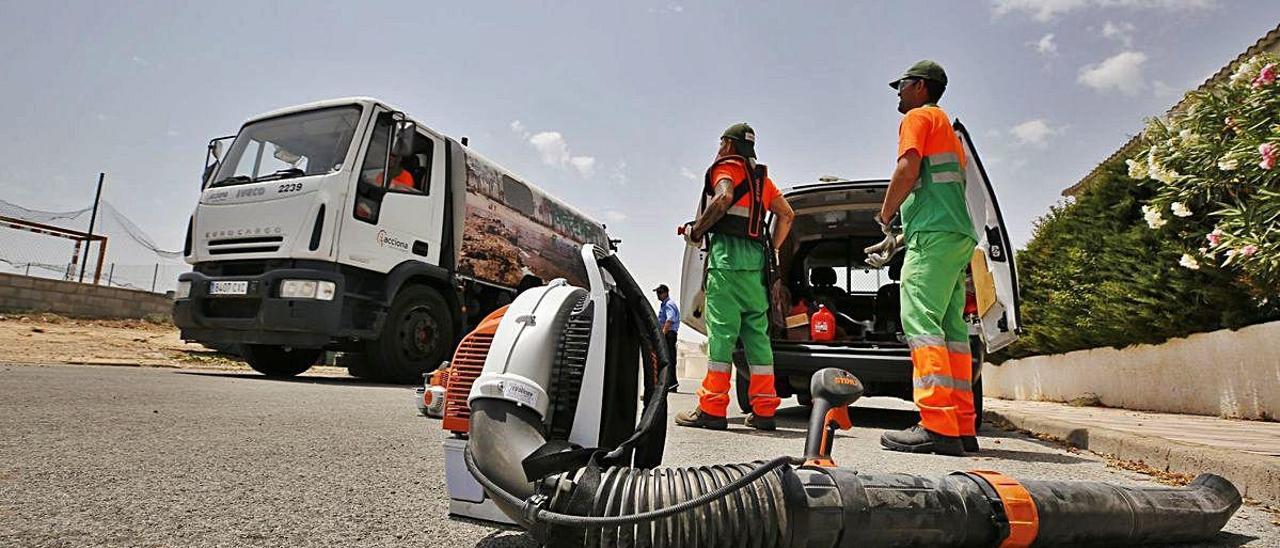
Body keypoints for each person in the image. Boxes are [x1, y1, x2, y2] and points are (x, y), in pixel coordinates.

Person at [867, 60, 979, 456]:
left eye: (902, 86)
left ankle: (936, 423)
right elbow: (937, 193)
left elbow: (907, 169)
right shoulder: (947, 128)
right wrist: (897, 239)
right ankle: (962, 426)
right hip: (954, 235)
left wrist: (884, 216)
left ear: (919, 87)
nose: (898, 93)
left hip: (932, 238)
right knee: (952, 333)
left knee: (920, 323)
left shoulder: (918, 118)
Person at [676, 123, 795, 431]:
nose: (718, 148)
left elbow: (724, 197)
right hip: (755, 270)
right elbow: (787, 215)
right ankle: (765, 410)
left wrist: (696, 231)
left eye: (721, 142)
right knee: (757, 337)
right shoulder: (763, 181)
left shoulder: (726, 168)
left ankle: (713, 409)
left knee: (722, 337)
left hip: (726, 266)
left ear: (729, 145)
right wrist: (773, 248)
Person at [654, 284, 681, 393]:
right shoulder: (665, 305)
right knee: (668, 358)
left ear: (665, 293)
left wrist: (662, 335)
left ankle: (671, 383)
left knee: (669, 359)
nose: (658, 295)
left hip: (669, 334)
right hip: (669, 334)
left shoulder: (669, 304)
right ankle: (671, 383)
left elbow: (669, 320)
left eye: (659, 293)